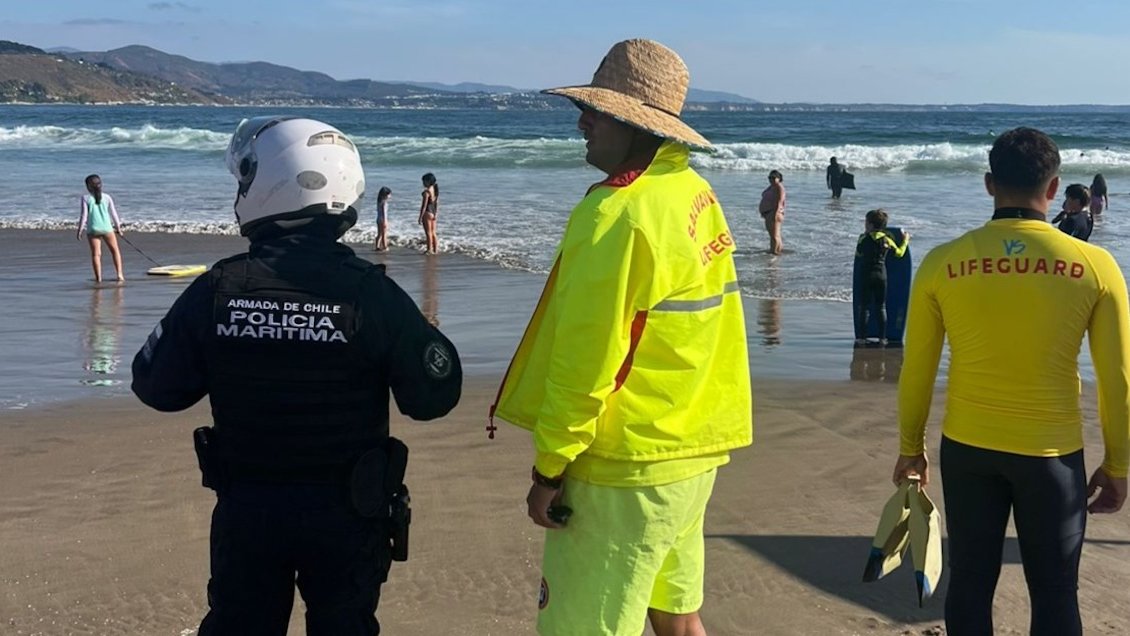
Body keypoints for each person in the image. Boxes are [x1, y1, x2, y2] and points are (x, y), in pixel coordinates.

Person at [131, 116, 462, 636]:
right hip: (348, 513)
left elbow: (155, 386)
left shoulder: (218, 288)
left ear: (268, 186)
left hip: (250, 510)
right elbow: (433, 395)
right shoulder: (370, 293)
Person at [490, 39, 752, 636]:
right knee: (677, 615)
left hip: (624, 466)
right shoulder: (692, 193)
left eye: (597, 111)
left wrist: (550, 469)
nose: (582, 121)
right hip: (691, 452)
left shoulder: (618, 215)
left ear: (636, 125)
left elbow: (588, 361)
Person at [894, 127, 1129, 635]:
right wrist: (1118, 463)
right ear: (1054, 189)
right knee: (1055, 591)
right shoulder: (1097, 267)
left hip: (968, 450)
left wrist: (911, 446)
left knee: (971, 583)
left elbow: (918, 367)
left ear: (987, 184)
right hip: (1053, 459)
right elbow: (1119, 379)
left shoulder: (942, 263)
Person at [853, 209, 910, 347]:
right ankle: (882, 338)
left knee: (865, 307)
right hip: (881, 276)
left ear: (871, 225)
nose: (865, 225)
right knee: (881, 307)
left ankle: (861, 338)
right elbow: (900, 253)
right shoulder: (887, 240)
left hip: (866, 275)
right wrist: (906, 240)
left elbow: (858, 254)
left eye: (866, 223)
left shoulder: (863, 239)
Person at [77, 174, 125, 282]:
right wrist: (119, 228)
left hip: (93, 229)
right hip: (107, 228)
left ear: (88, 186)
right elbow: (114, 214)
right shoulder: (107, 197)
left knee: (96, 254)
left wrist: (79, 230)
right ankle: (119, 274)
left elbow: (83, 216)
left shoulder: (85, 198)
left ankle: (98, 278)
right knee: (115, 251)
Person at [758, 170, 786, 255]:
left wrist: (775, 213)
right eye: (770, 178)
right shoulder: (772, 187)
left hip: (774, 212)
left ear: (779, 178)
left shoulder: (779, 187)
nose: (771, 179)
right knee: (774, 235)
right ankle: (776, 250)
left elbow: (779, 201)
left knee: (774, 236)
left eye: (773, 178)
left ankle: (774, 252)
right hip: (769, 213)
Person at [418, 173, 438, 254]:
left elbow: (424, 206)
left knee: (428, 233)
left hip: (427, 213)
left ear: (428, 181)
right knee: (433, 233)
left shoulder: (426, 192)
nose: (423, 183)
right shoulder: (434, 189)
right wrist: (436, 213)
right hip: (433, 212)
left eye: (424, 181)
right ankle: (435, 249)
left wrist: (420, 217)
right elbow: (437, 203)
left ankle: (429, 249)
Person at [374, 186, 391, 251]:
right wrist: (385, 221)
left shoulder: (379, 201)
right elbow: (384, 213)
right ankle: (385, 247)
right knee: (384, 234)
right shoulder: (384, 203)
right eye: (389, 194)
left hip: (378, 219)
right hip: (383, 219)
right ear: (385, 195)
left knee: (379, 234)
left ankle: (377, 246)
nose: (390, 196)